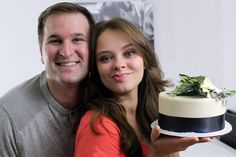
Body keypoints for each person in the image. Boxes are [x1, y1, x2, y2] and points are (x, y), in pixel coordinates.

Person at [74, 18, 212, 157]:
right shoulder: (98, 126)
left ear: (145, 60)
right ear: (96, 70)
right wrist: (157, 152)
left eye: (129, 53)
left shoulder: (154, 112)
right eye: (105, 58)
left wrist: (171, 149)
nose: (119, 64)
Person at [0, 2, 95, 157]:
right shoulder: (7, 116)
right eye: (55, 41)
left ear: (92, 47)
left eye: (77, 39)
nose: (66, 52)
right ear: (41, 51)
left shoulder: (113, 97)